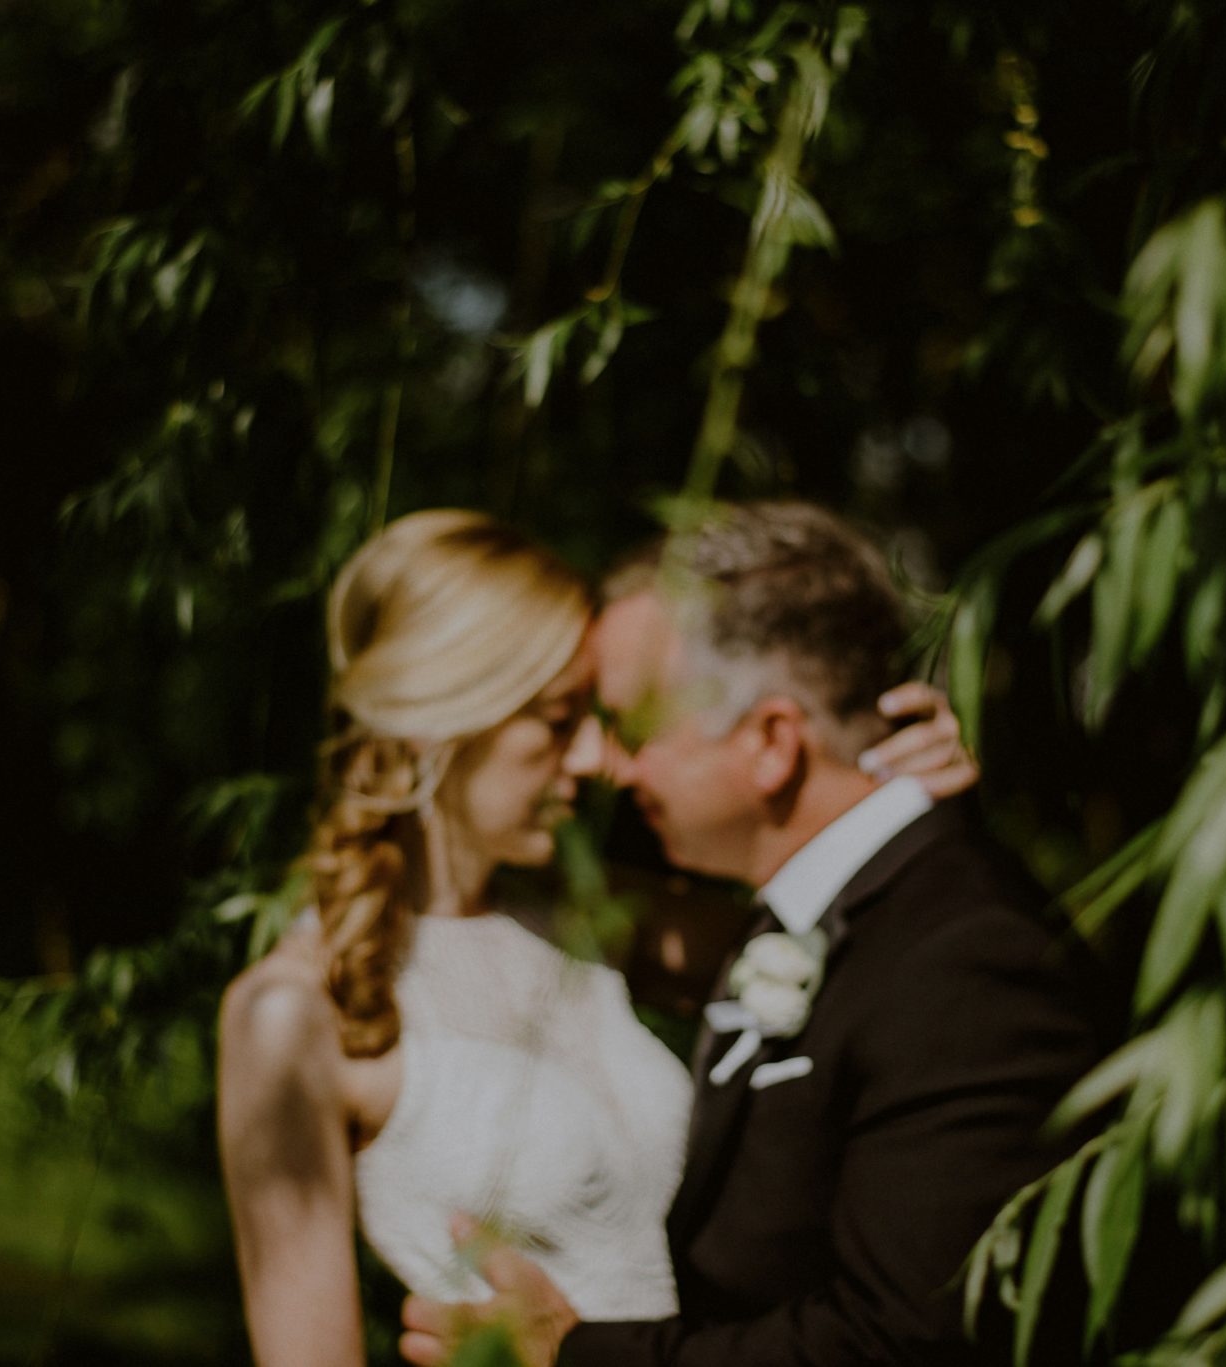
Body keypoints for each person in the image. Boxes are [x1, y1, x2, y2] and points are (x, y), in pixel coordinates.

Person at [216, 508, 976, 1367]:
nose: (596, 759)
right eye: (555, 719)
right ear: (441, 721)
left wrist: (894, 785)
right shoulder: (288, 1013)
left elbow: (881, 953)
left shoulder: (595, 919)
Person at [400, 501, 1103, 1367]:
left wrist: (576, 1357)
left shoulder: (964, 958)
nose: (607, 766)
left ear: (773, 742)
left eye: (638, 724)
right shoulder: (820, 912)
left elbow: (904, 1344)